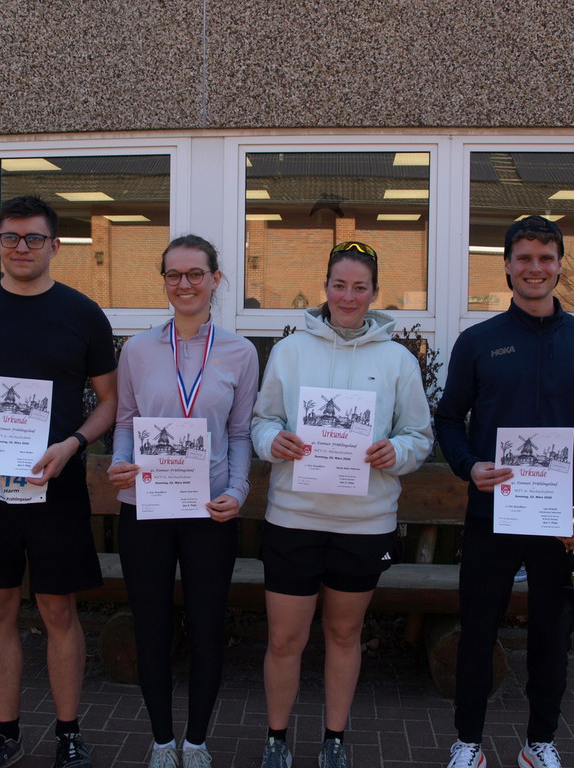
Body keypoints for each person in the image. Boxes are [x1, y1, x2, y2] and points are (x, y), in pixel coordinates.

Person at [434, 216, 574, 768]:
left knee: (553, 637)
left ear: (560, 265)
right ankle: (468, 743)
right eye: (524, 258)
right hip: (492, 514)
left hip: (561, 520)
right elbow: (448, 419)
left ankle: (539, 743)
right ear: (506, 265)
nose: (535, 268)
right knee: (477, 632)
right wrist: (469, 465)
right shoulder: (479, 342)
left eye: (545, 258)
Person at [0, 195, 118, 768]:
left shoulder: (84, 314)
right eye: (11, 237)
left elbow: (109, 402)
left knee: (59, 611)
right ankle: (5, 733)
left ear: (55, 245)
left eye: (34, 238)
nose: (22, 247)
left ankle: (69, 734)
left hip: (55, 483)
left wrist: (74, 443)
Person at [250, 242, 434, 768]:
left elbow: (418, 436)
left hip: (364, 524)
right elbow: (263, 421)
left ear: (374, 293)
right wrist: (273, 441)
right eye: (339, 285)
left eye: (359, 287)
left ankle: (334, 740)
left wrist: (396, 451)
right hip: (294, 518)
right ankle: (276, 740)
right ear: (325, 288)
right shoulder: (290, 351)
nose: (348, 296)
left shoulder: (398, 360)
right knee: (284, 638)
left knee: (344, 633)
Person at [107, 235, 259, 768]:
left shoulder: (240, 352)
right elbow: (125, 423)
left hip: (209, 512)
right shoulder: (137, 350)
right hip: (145, 506)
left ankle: (195, 742)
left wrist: (237, 491)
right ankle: (161, 741)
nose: (184, 284)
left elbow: (239, 433)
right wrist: (118, 461)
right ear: (164, 281)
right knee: (150, 627)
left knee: (207, 628)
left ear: (215, 279)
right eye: (174, 274)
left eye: (196, 273)